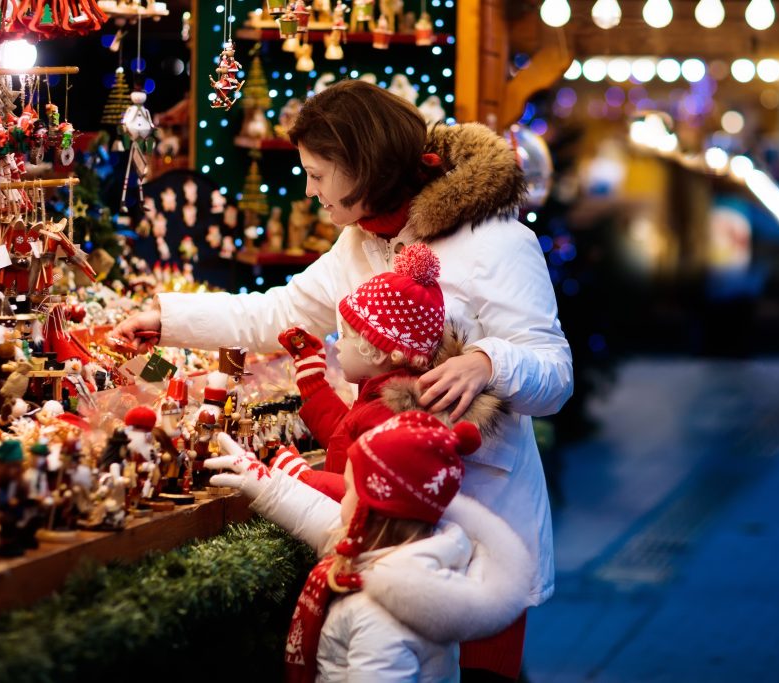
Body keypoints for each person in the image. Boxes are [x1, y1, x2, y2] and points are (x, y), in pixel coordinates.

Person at [115, 79, 573, 680]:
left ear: (364, 166)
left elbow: (555, 374)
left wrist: (489, 361)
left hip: (478, 525)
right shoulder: (356, 243)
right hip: (380, 522)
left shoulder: (499, 242)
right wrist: (166, 319)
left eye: (318, 174)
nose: (310, 192)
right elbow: (276, 314)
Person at [204, 412, 533, 682]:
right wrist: (267, 484)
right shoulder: (406, 553)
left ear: (373, 512)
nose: (342, 497)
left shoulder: (380, 615)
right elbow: (320, 517)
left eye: (349, 490)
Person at [273, 242, 506, 502]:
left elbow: (364, 493)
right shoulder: (380, 398)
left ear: (378, 350)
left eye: (346, 336)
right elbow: (346, 439)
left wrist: (303, 479)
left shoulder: (389, 417)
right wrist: (314, 383)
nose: (337, 344)